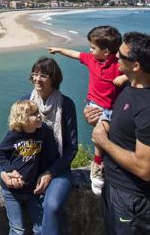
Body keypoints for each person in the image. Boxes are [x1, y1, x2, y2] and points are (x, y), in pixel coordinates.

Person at [87, 32, 150, 234]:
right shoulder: (130, 87)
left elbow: (145, 168)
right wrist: (100, 122)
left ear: (136, 66)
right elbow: (123, 132)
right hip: (115, 188)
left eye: (120, 55)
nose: (115, 57)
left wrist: (103, 142)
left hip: (135, 200)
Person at [48, 25, 127, 196]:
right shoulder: (92, 59)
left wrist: (123, 77)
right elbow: (75, 55)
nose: (89, 50)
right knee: (100, 135)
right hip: (96, 106)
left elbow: (136, 70)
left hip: (115, 108)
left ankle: (105, 163)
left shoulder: (119, 64)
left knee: (113, 138)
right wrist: (60, 49)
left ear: (106, 51)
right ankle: (97, 164)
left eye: (93, 47)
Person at [17, 57, 78, 235]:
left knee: (52, 205)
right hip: (30, 167)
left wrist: (50, 173)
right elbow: (14, 141)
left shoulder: (66, 105)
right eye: (35, 74)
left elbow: (71, 147)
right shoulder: (23, 103)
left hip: (58, 169)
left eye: (43, 75)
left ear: (54, 79)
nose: (37, 79)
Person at [0, 100, 45, 235]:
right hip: (12, 192)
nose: (39, 115)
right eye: (34, 114)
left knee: (40, 229)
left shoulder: (40, 133)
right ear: (23, 119)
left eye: (38, 112)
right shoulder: (14, 135)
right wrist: (10, 170)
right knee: (18, 230)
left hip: (31, 191)